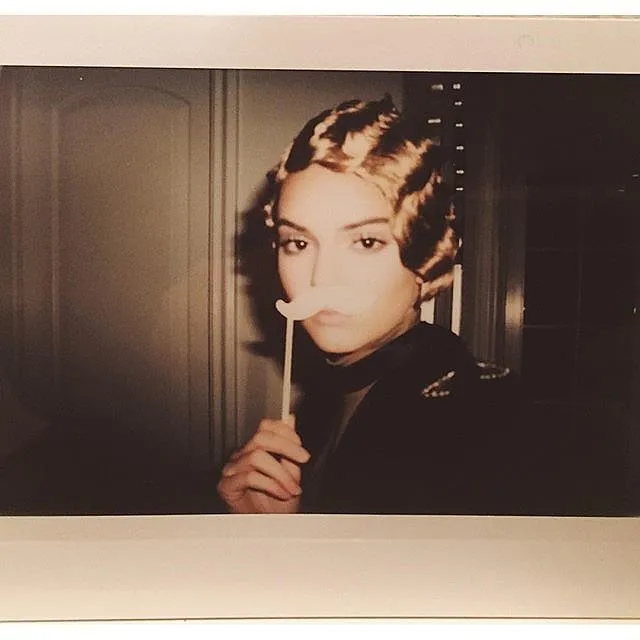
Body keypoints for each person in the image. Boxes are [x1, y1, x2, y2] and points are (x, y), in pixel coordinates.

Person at [217, 95, 545, 515]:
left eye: (366, 241)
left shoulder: (482, 420)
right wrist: (277, 528)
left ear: (426, 254)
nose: (320, 279)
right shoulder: (329, 393)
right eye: (297, 243)